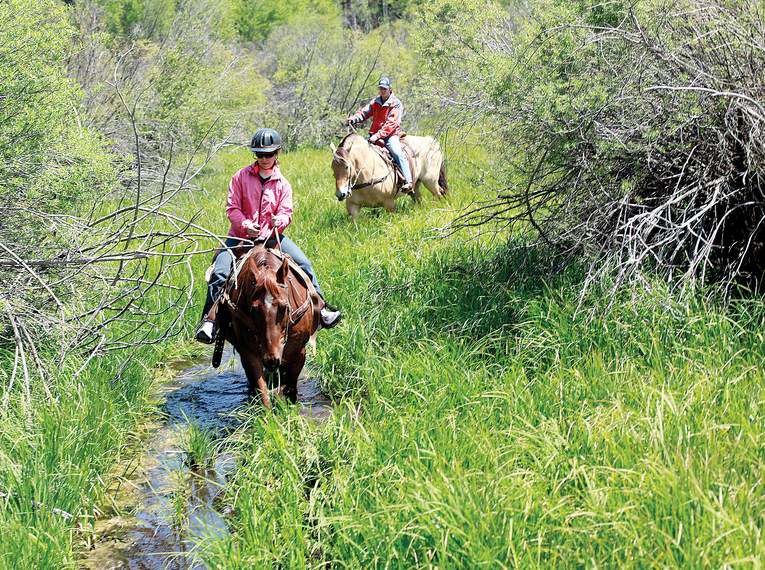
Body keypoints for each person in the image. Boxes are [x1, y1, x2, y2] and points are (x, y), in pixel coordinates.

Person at [195, 128, 341, 343]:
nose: (264, 159)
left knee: (305, 265)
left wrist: (279, 222)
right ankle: (210, 321)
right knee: (220, 272)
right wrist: (245, 224)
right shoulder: (240, 177)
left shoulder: (283, 184)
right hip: (240, 238)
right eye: (259, 154)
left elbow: (286, 212)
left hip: (272, 238)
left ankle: (321, 309)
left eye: (269, 154)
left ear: (277, 153)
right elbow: (232, 207)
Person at [346, 76, 413, 193]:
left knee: (397, 153)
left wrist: (377, 136)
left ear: (390, 89)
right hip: (374, 135)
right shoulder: (375, 102)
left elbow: (391, 124)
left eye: (384, 89)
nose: (382, 91)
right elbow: (364, 113)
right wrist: (354, 119)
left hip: (390, 136)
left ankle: (408, 181)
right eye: (380, 88)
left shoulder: (396, 104)